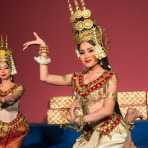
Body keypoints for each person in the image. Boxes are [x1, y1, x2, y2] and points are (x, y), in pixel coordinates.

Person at [23, 0, 130, 147]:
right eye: (82, 52)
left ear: (99, 51)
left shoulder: (109, 77)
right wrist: (43, 49)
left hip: (109, 134)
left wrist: (80, 119)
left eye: (91, 50)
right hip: (89, 134)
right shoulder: (77, 78)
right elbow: (45, 77)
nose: (86, 56)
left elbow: (107, 110)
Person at [0, 36, 28, 148]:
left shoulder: (19, 87)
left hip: (16, 129)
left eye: (5, 67)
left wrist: (3, 100)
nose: (2, 71)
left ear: (11, 68)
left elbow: (11, 99)